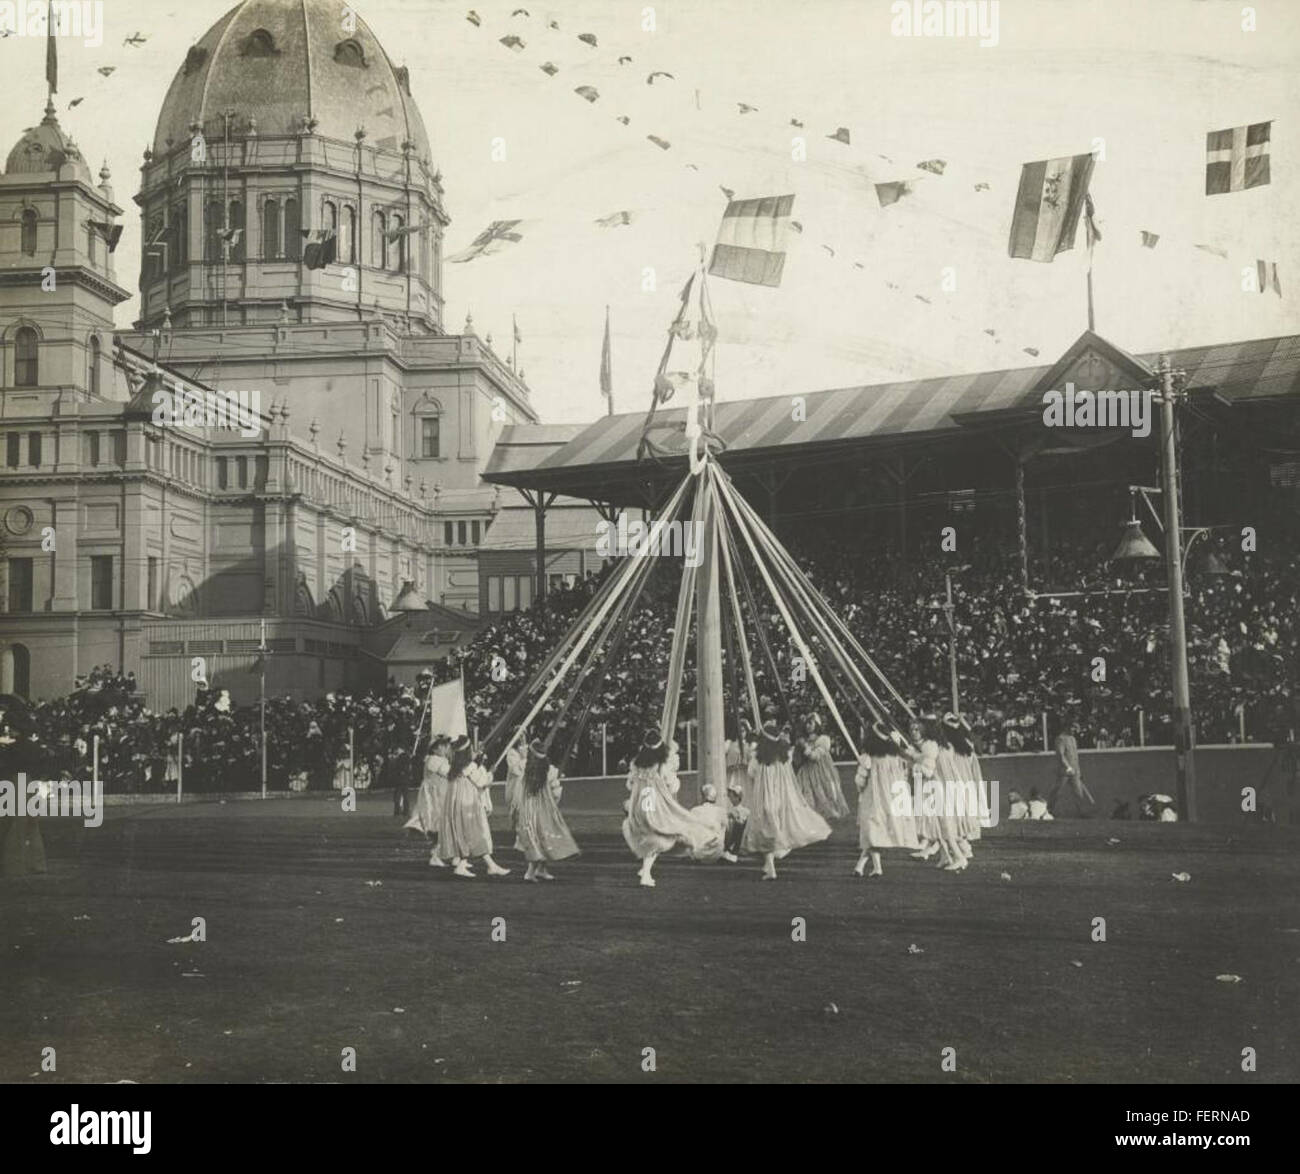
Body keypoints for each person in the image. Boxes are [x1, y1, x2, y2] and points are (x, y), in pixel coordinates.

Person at [622, 729, 722, 887]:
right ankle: (646, 873)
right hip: (656, 808)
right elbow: (673, 786)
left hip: (639, 807)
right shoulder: (662, 766)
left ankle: (645, 869)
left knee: (654, 837)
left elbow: (629, 784)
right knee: (663, 835)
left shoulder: (636, 764)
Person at [741, 721, 831, 880]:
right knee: (777, 827)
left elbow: (751, 773)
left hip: (764, 798)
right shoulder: (784, 756)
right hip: (781, 797)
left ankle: (770, 866)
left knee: (765, 829)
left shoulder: (757, 757)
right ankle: (770, 864)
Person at [437, 735, 511, 878]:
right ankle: (487, 866)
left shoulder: (455, 767)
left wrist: (479, 763)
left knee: (467, 832)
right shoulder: (469, 767)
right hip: (467, 805)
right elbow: (482, 782)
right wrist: (490, 772)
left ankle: (484, 865)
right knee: (475, 831)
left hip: (456, 805)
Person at [852, 720, 918, 877]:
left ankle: (871, 867)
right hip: (893, 797)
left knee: (873, 829)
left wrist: (861, 790)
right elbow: (904, 775)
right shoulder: (896, 756)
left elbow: (860, 779)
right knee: (876, 831)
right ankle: (864, 866)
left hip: (874, 796)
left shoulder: (868, 757)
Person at [514, 739, 579, 881]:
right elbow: (555, 792)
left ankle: (541, 869)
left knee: (540, 837)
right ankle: (530, 872)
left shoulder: (524, 769)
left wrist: (516, 809)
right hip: (543, 809)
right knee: (543, 836)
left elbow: (518, 792)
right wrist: (554, 799)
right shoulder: (549, 771)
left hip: (529, 809)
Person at [405, 734, 451, 866]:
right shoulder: (435, 760)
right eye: (442, 747)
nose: (445, 749)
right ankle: (436, 854)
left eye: (445, 746)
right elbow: (447, 772)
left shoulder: (438, 759)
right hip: (434, 795)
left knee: (441, 823)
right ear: (434, 749)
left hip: (439, 793)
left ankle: (440, 853)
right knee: (439, 822)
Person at [795, 712, 851, 821]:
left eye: (810, 723)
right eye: (806, 724)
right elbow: (798, 759)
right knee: (808, 792)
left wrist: (805, 746)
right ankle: (811, 815)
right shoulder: (804, 739)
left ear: (817, 724)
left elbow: (815, 756)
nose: (808, 726)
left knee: (823, 790)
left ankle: (827, 812)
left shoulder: (823, 739)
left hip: (821, 770)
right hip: (807, 771)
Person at [1049, 720, 1095, 817]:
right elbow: (1061, 755)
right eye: (1073, 727)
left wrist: (1078, 771)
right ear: (1067, 727)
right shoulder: (1060, 739)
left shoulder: (1073, 739)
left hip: (1075, 771)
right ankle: (1049, 811)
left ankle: (1082, 812)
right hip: (1064, 771)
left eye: (1076, 728)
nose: (1075, 730)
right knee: (1058, 791)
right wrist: (1068, 767)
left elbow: (1075, 756)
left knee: (1078, 792)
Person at [689, 783, 730, 858]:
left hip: (699, 853)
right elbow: (727, 832)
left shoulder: (694, 810)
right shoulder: (721, 811)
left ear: (703, 797)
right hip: (717, 852)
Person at [723, 778, 749, 862]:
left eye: (732, 796)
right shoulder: (731, 809)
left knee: (737, 824)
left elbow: (741, 823)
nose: (730, 798)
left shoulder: (744, 810)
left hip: (739, 837)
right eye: (730, 796)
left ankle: (733, 849)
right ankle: (728, 848)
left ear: (738, 798)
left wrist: (734, 818)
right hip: (731, 834)